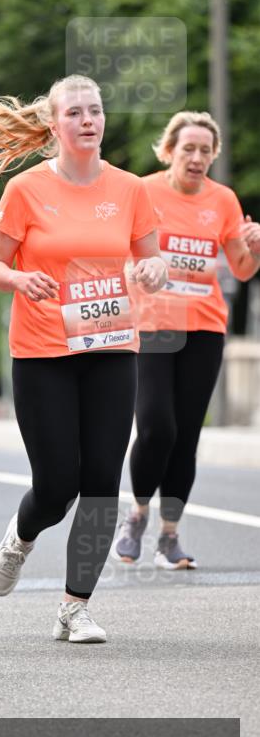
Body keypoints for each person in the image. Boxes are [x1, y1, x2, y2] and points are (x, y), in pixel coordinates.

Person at [0, 74, 166, 644]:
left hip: (111, 347)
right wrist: (21, 279)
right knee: (56, 484)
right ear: (53, 124)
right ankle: (19, 539)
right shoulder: (26, 190)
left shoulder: (129, 189)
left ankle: (75, 607)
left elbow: (153, 260)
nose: (88, 120)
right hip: (43, 351)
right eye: (75, 112)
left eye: (95, 110)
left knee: (101, 482)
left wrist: (152, 269)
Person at [112, 111, 260, 569]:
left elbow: (242, 269)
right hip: (154, 324)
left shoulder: (224, 200)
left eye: (205, 151)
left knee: (187, 435)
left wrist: (254, 248)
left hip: (204, 327)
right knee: (158, 425)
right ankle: (137, 515)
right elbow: (114, 249)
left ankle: (169, 537)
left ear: (213, 156)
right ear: (169, 151)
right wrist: (131, 272)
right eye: (188, 149)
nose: (197, 157)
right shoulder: (143, 192)